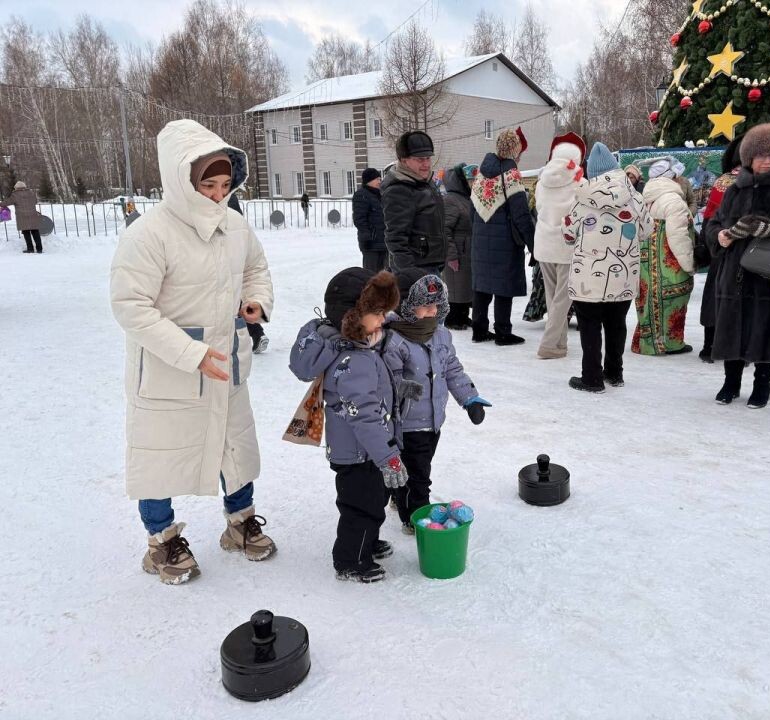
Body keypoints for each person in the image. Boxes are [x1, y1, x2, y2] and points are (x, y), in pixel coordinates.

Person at [110, 119, 276, 585]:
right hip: (169, 369)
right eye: (208, 184)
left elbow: (256, 269)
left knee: (234, 444)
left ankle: (240, 522)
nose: (218, 194)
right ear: (182, 180)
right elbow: (130, 306)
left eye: (226, 184)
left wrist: (256, 301)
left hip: (225, 361)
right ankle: (161, 541)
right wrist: (189, 352)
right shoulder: (149, 234)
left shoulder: (236, 227)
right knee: (161, 457)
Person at [288, 269, 404, 583]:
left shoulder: (358, 349)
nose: (384, 319)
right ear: (352, 316)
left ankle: (366, 542)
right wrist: (387, 457)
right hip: (359, 453)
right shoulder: (354, 360)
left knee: (374, 502)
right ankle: (351, 561)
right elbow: (364, 416)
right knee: (361, 508)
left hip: (365, 451)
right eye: (377, 313)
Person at [703, 122, 770, 408]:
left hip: (768, 274)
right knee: (731, 326)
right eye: (761, 155)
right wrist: (719, 236)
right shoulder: (736, 190)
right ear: (749, 157)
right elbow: (714, 222)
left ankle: (763, 385)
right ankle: (731, 382)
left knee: (766, 328)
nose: (767, 161)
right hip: (734, 272)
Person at [383, 271, 488, 533]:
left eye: (436, 306)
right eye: (425, 306)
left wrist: (469, 398)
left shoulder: (441, 334)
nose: (432, 312)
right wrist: (403, 388)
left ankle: (397, 494)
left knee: (418, 467)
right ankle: (414, 518)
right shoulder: (394, 339)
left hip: (433, 421)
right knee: (419, 478)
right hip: (407, 424)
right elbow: (384, 382)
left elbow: (451, 368)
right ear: (406, 306)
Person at [565, 142, 651, 392]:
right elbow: (647, 230)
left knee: (590, 325)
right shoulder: (635, 198)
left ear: (591, 172)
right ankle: (614, 372)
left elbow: (568, 233)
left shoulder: (580, 199)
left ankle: (591, 377)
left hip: (587, 277)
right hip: (623, 275)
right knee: (617, 323)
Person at [470, 127, 536, 345]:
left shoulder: (481, 173)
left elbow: (472, 209)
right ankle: (502, 332)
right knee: (503, 285)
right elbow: (521, 214)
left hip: (480, 238)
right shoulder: (511, 174)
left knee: (482, 285)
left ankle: (479, 329)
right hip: (505, 240)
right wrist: (533, 243)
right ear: (515, 151)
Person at [633, 157, 696, 355]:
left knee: (648, 300)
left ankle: (647, 342)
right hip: (668, 264)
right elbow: (678, 237)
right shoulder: (673, 201)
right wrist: (689, 264)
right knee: (673, 300)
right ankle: (668, 343)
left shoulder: (646, 198)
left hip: (646, 263)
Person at [534, 132, 587, 359]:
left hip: (544, 243)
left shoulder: (541, 181)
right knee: (563, 300)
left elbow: (538, 208)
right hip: (567, 245)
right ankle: (548, 345)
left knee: (552, 296)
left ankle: (559, 345)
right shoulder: (580, 183)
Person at [697, 137, 744, 362]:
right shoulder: (755, 180)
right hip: (744, 247)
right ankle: (736, 348)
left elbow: (708, 217)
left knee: (714, 294)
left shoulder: (722, 180)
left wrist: (711, 243)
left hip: (719, 243)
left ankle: (710, 344)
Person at [381, 131, 445, 272]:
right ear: (404, 160)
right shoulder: (399, 190)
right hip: (416, 269)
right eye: (420, 159)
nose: (426, 164)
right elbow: (396, 239)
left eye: (428, 158)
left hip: (431, 263)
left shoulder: (425, 182)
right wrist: (409, 272)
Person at [227, 192, 269, 353]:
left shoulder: (216, 197)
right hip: (239, 250)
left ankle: (256, 333)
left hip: (227, 253)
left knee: (233, 297)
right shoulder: (229, 195)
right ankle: (257, 332)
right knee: (238, 295)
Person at [441, 164, 475, 329]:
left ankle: (462, 316)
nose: (471, 183)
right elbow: (444, 230)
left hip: (466, 248)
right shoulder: (450, 200)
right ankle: (453, 318)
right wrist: (451, 256)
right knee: (456, 286)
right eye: (468, 180)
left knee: (464, 286)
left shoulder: (464, 198)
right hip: (457, 250)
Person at [352, 168, 387, 272]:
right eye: (377, 179)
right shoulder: (361, 195)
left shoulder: (380, 195)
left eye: (380, 179)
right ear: (369, 180)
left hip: (383, 242)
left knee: (384, 275)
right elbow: (359, 219)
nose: (379, 181)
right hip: (371, 243)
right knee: (371, 275)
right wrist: (367, 237)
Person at [1, 180, 42, 253]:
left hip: (22, 216)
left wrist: (1, 204)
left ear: (16, 188)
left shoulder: (15, 195)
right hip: (32, 214)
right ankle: (39, 249)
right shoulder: (31, 193)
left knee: (26, 232)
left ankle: (30, 249)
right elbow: (35, 201)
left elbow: (8, 202)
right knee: (35, 231)